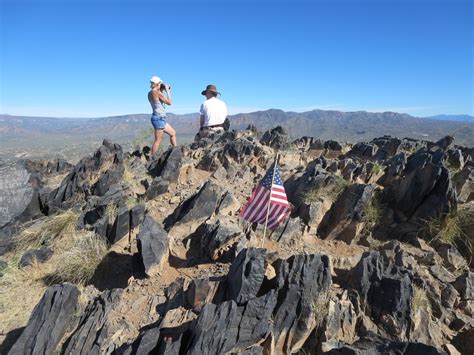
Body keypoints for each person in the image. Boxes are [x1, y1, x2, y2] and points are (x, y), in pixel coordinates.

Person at [148, 75, 177, 155]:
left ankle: (176, 152)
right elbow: (169, 102)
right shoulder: (156, 92)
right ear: (158, 84)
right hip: (159, 118)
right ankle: (152, 159)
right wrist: (167, 90)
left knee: (173, 133)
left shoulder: (150, 93)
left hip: (159, 118)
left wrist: (161, 89)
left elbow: (158, 101)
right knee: (158, 141)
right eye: (160, 84)